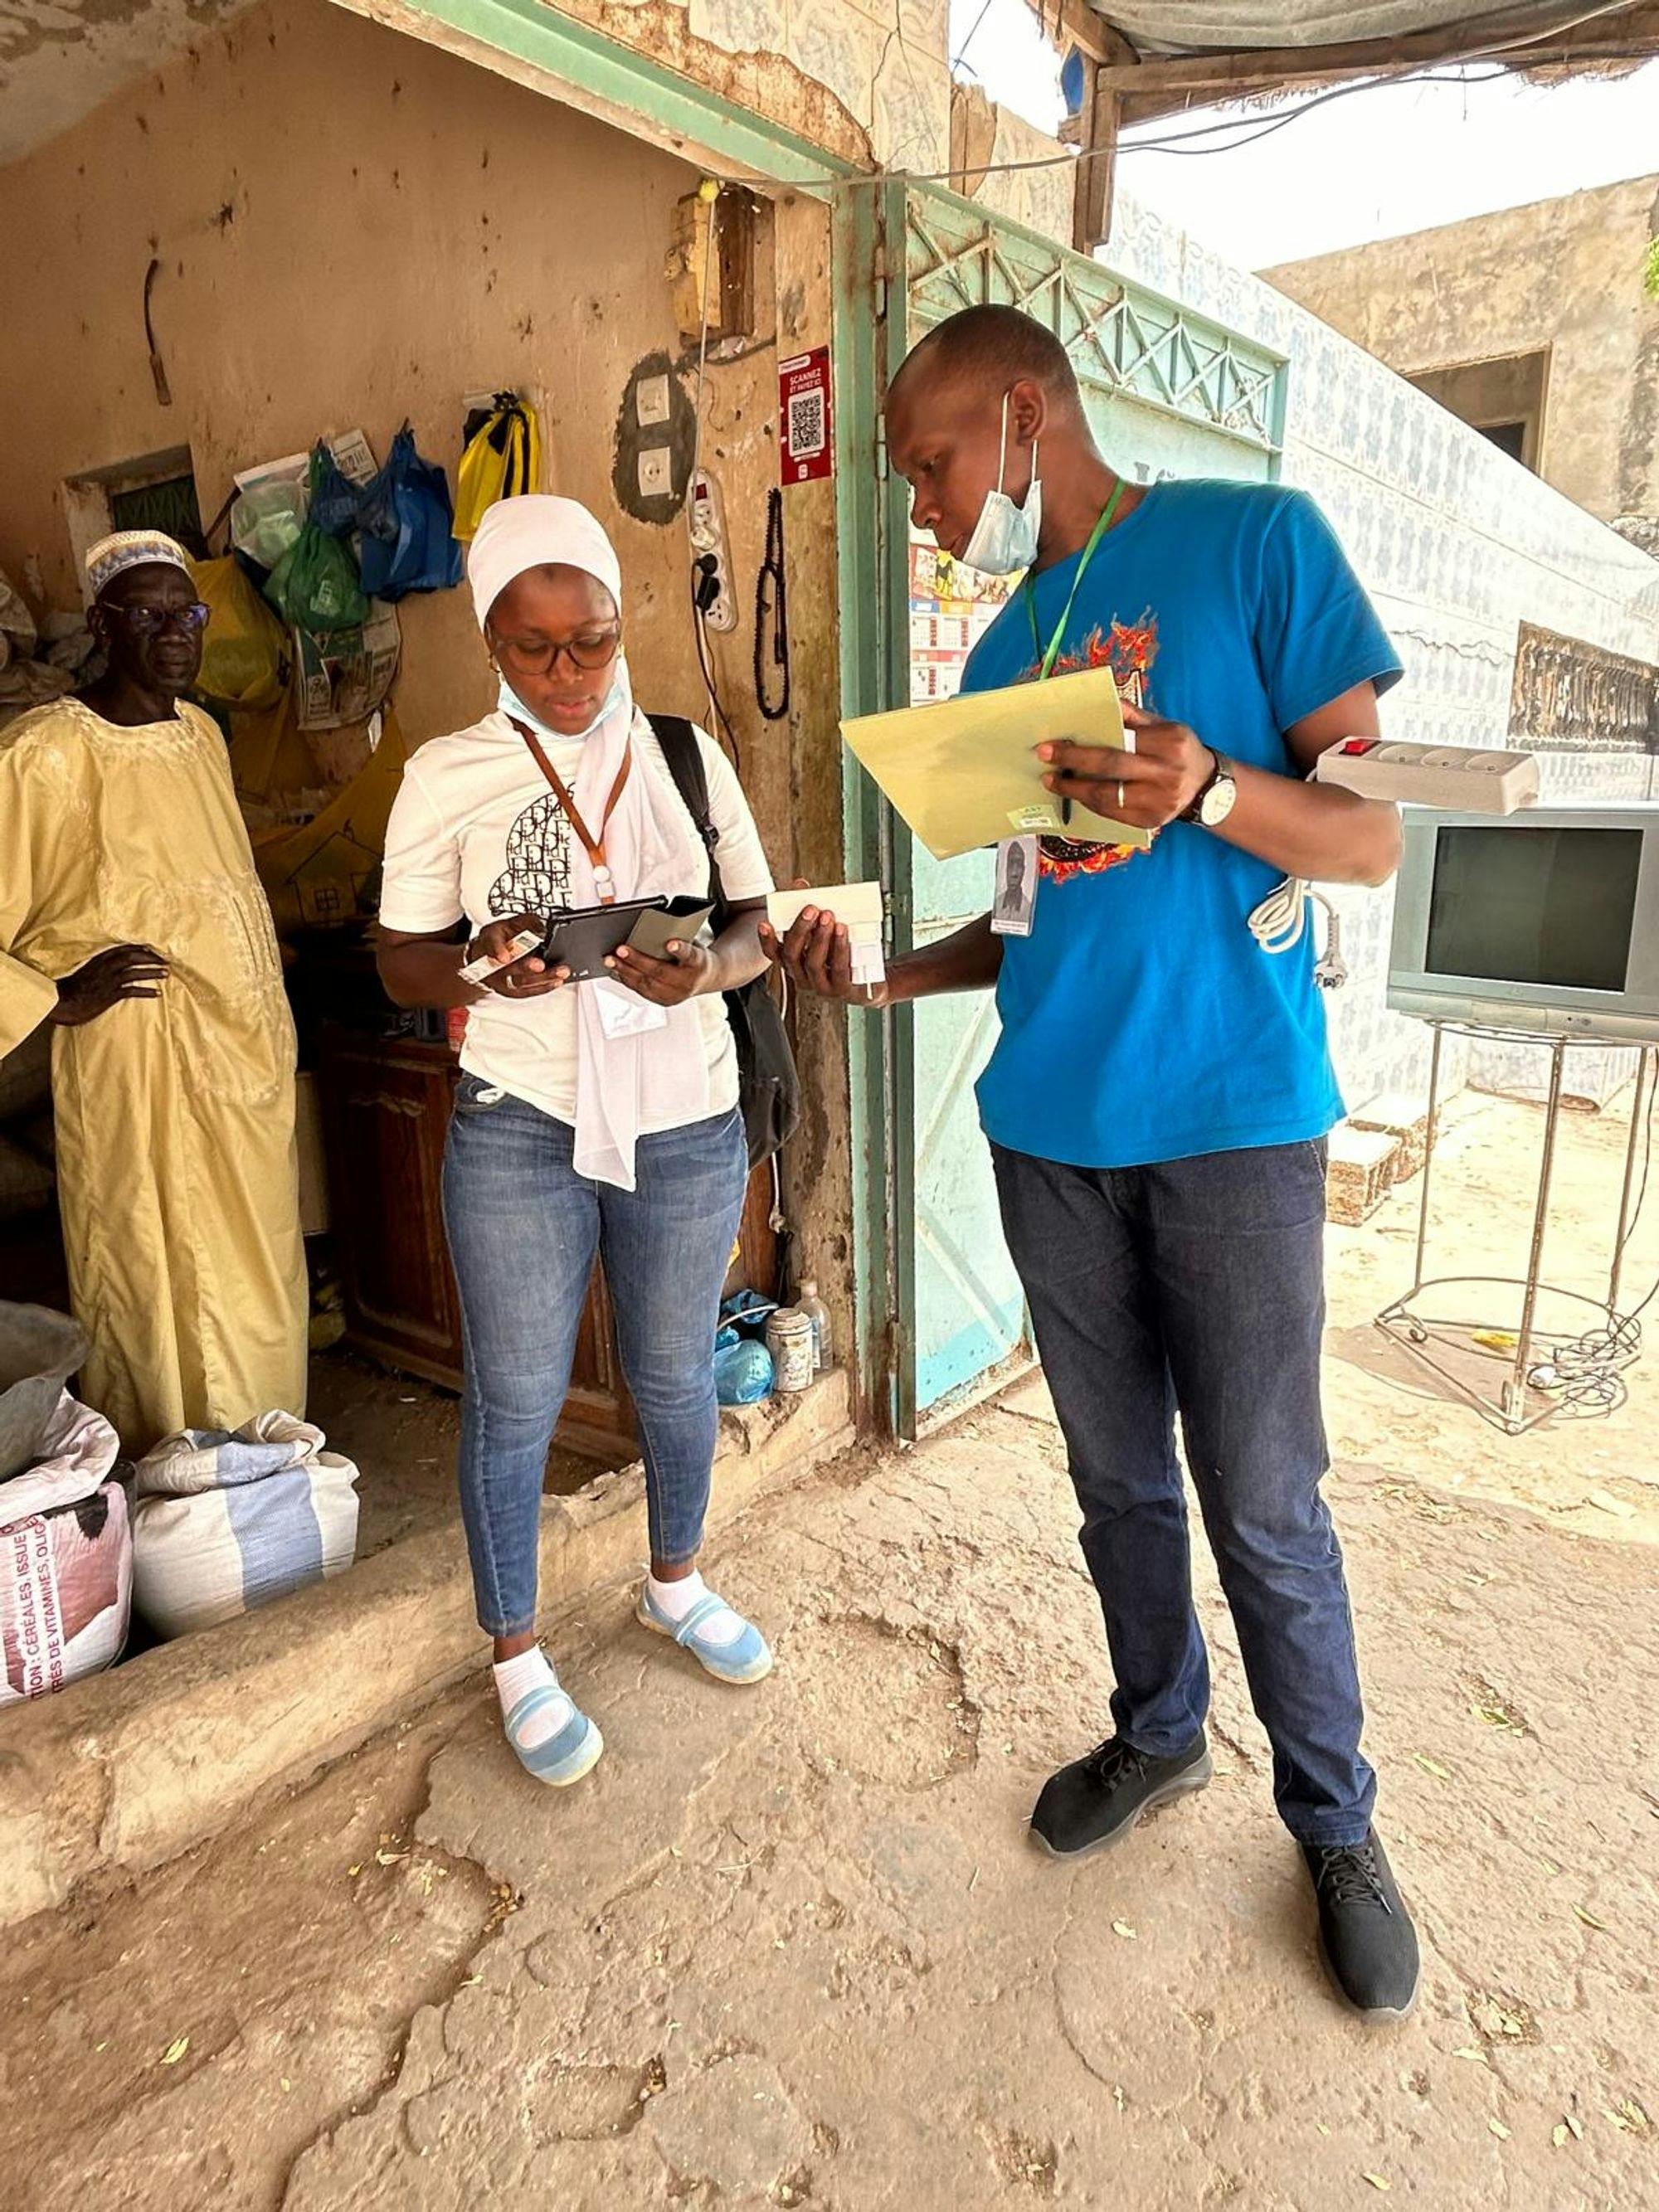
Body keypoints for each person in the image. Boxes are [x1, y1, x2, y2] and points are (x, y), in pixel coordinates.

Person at [766, 305, 1421, 2021]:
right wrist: (890, 974)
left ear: (1023, 408)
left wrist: (1206, 786)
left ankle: (1334, 1822)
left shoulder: (1253, 541)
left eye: (928, 461)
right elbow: (1023, 916)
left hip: (1229, 1120)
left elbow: (1367, 832)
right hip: (1046, 1131)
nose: (920, 501)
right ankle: (1158, 1728)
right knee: (1117, 1477)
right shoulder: (1000, 658)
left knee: (1265, 1501)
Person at [377, 495, 775, 1789]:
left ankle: (675, 1580)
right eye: (533, 647)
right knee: (517, 1396)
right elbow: (394, 953)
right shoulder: (447, 773)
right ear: (489, 638)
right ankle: (517, 1652)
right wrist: (482, 970)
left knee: (671, 1373)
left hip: (685, 1111)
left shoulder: (684, 752)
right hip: (518, 1120)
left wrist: (701, 964)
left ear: (621, 625)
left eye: (592, 641)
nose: (566, 673)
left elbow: (758, 924)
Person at [0, 532, 307, 1454]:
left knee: (257, 1272)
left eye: (190, 614)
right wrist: (52, 997)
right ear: (102, 624)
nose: (178, 633)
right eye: (151, 614)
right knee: (154, 1269)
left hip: (241, 1061)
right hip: (137, 1059)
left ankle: (265, 1466)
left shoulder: (202, 734)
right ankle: (172, 1479)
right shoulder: (45, 753)